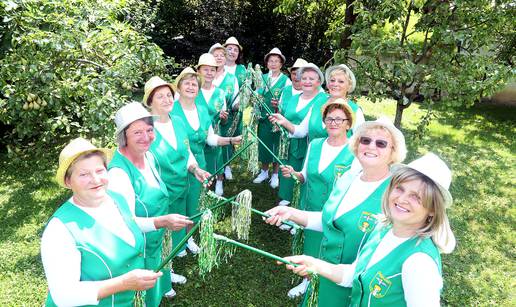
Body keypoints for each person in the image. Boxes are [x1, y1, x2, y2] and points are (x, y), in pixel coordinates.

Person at [280, 153, 455, 306]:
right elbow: (354, 273)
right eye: (400, 188)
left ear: (432, 209)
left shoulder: (419, 262)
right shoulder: (383, 228)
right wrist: (315, 264)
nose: (402, 199)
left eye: (416, 197)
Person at [266, 117, 407, 302]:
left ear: (393, 152)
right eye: (366, 140)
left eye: (381, 143)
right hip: (325, 275)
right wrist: (291, 213)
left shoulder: (396, 194)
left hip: (355, 288)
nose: (371, 146)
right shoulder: (348, 178)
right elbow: (330, 220)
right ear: (357, 144)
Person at [41, 138, 189, 306]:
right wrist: (124, 283)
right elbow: (64, 295)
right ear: (68, 181)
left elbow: (127, 224)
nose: (96, 180)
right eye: (84, 174)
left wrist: (160, 221)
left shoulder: (115, 197)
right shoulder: (59, 230)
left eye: (100, 170)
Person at [107, 103, 194, 305]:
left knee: (156, 285)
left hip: (157, 242)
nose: (146, 137)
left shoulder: (149, 156)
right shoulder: (118, 174)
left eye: (149, 130)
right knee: (143, 299)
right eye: (137, 132)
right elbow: (123, 223)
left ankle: (164, 286)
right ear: (124, 137)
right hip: (139, 252)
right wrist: (162, 222)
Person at [171, 67, 241, 245]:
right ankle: (175, 243)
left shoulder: (202, 110)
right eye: (186, 83)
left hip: (200, 165)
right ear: (178, 87)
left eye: (194, 84)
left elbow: (210, 138)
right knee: (177, 204)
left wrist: (232, 140)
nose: (191, 87)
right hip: (176, 166)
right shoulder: (171, 110)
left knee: (195, 203)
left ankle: (189, 238)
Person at [143, 76, 210, 263]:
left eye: (169, 95)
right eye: (160, 97)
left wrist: (195, 169)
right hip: (159, 195)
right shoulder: (146, 129)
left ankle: (180, 246)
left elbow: (186, 151)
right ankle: (165, 271)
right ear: (150, 102)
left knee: (180, 222)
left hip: (180, 186)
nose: (167, 100)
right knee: (162, 234)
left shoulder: (178, 121)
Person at [274, 63, 328, 207]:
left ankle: (299, 202)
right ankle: (286, 196)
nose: (307, 81)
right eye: (304, 78)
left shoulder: (322, 100)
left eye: (312, 78)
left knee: (303, 172)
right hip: (288, 140)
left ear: (319, 82)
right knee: (287, 168)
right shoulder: (294, 98)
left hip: (308, 143)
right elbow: (286, 116)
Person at [271, 64, 365, 142]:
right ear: (328, 84)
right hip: (314, 159)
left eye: (341, 81)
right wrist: (283, 121)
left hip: (341, 163)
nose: (335, 84)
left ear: (349, 86)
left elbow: (361, 140)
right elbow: (301, 131)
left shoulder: (355, 110)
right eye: (332, 80)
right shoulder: (317, 103)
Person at [253, 47, 292, 188]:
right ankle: (264, 171)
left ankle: (275, 174)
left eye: (276, 61)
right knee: (264, 145)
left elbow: (288, 100)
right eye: (271, 61)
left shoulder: (285, 81)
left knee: (275, 146)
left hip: (277, 119)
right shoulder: (262, 78)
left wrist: (279, 104)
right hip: (263, 118)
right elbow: (257, 95)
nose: (273, 63)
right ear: (267, 63)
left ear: (281, 64)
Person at [195, 53, 229, 195]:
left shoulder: (220, 93)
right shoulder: (193, 91)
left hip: (215, 132)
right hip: (197, 134)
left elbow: (225, 121)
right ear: (199, 71)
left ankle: (219, 181)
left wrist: (224, 117)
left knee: (217, 157)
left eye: (212, 70)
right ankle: (203, 183)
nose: (209, 73)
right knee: (202, 160)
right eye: (206, 69)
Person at [209, 43, 241, 183]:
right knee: (209, 149)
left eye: (222, 55)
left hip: (225, 119)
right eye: (216, 55)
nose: (219, 58)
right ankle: (210, 176)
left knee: (224, 147)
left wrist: (240, 103)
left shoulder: (231, 78)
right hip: (208, 120)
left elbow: (235, 102)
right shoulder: (206, 76)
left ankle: (222, 175)